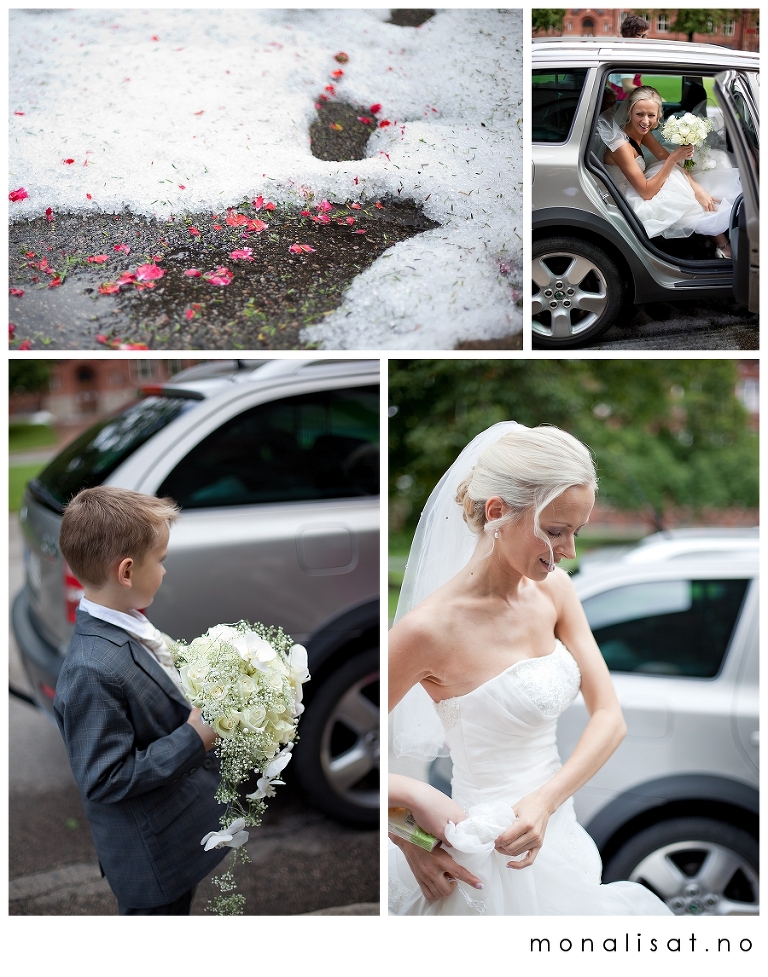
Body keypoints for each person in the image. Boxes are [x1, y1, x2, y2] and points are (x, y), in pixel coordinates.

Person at [388, 423, 673, 915]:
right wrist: (406, 827)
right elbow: (325, 758)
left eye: (576, 531)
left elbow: (610, 718)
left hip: (558, 832)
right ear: (497, 512)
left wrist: (546, 802)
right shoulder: (427, 631)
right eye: (555, 531)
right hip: (478, 861)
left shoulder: (555, 590)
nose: (569, 552)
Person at [54, 487, 228, 915]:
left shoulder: (127, 618)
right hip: (150, 862)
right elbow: (105, 778)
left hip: (174, 836)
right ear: (127, 571)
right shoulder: (90, 670)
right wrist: (194, 736)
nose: (165, 571)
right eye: (162, 560)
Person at [599, 85, 739, 256]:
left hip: (638, 187)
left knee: (693, 173)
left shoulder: (643, 132)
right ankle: (723, 245)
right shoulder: (620, 146)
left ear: (658, 114)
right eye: (639, 114)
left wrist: (697, 189)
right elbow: (647, 192)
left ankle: (717, 240)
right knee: (674, 177)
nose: (645, 121)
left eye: (651, 115)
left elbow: (664, 157)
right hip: (625, 202)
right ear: (629, 111)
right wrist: (674, 158)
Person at [608, 14, 649, 98]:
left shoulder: (619, 48)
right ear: (629, 34)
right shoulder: (629, 54)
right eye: (642, 36)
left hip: (620, 96)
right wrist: (650, 96)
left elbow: (609, 80)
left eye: (646, 35)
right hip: (629, 98)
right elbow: (627, 86)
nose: (645, 40)